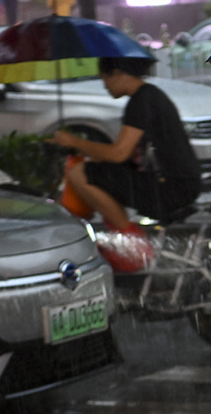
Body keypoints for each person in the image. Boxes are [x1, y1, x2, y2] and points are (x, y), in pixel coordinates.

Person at [50, 57, 201, 272]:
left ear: (119, 73)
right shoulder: (149, 96)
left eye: (105, 79)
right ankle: (126, 238)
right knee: (95, 169)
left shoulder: (141, 101)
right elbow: (127, 155)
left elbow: (119, 154)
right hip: (181, 184)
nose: (105, 85)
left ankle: (130, 243)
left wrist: (74, 142)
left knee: (80, 173)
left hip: (170, 188)